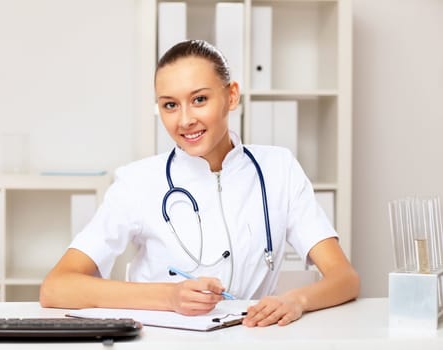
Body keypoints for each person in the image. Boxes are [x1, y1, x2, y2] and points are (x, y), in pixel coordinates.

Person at [40, 39, 360, 327]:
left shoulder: (279, 169)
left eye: (199, 99)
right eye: (170, 105)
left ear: (231, 96)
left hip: (250, 339)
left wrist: (296, 300)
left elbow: (344, 278)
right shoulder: (137, 182)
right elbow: (57, 286)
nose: (185, 120)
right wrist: (169, 297)